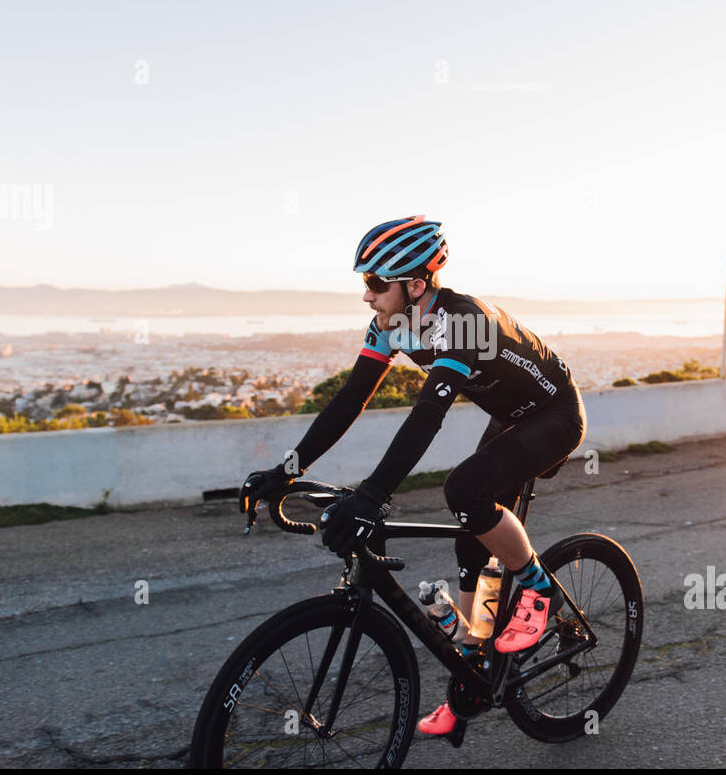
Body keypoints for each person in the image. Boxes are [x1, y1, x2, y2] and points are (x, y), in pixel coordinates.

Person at [240, 216, 586, 737]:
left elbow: (428, 413)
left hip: (554, 415)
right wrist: (285, 470)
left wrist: (373, 495)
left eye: (376, 283)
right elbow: (350, 400)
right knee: (474, 539)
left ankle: (541, 592)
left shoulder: (464, 323)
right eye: (364, 282)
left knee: (464, 490)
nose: (366, 296)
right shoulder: (389, 324)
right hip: (512, 417)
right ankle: (476, 670)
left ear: (416, 285)